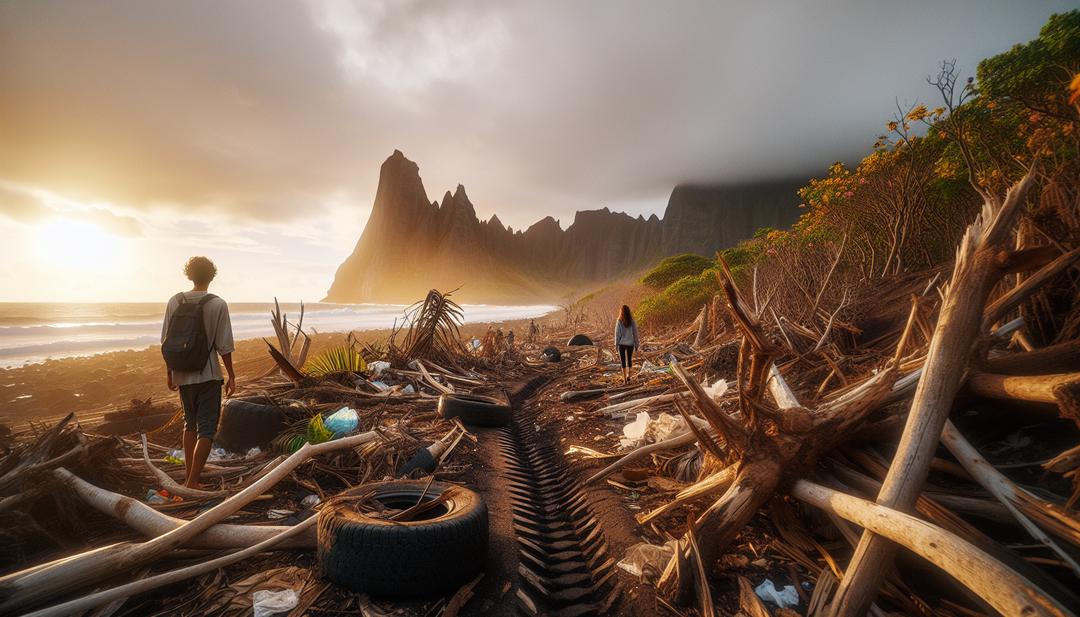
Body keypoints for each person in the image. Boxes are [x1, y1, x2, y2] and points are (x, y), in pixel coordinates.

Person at [161, 256, 235, 489]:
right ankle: (193, 481)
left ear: (189, 274)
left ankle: (188, 477)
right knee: (207, 429)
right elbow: (224, 345)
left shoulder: (175, 300)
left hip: (183, 373)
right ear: (211, 276)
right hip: (208, 375)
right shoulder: (218, 304)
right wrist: (232, 375)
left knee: (189, 425)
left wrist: (170, 371)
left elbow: (166, 340)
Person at [615, 305, 639, 384]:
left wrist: (616, 344)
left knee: (623, 361)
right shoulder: (632, 321)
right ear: (629, 312)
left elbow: (617, 334)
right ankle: (629, 375)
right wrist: (636, 344)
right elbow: (635, 334)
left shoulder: (619, 321)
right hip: (630, 343)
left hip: (621, 344)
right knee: (629, 359)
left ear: (621, 312)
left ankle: (625, 380)